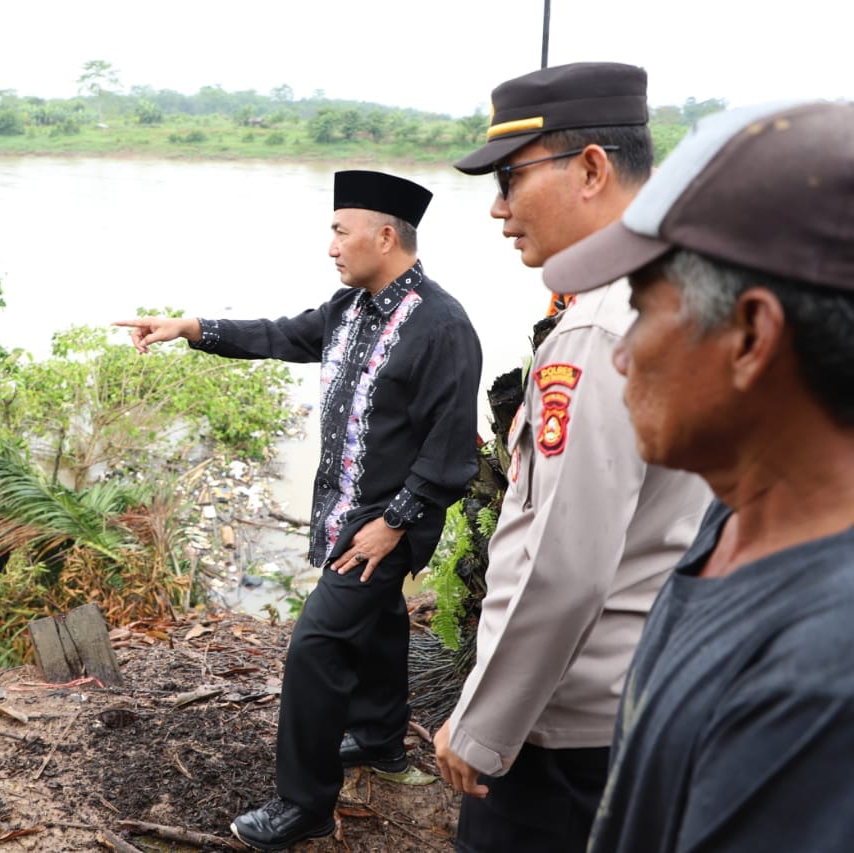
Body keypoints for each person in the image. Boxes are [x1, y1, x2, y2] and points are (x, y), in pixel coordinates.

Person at [116, 170, 483, 851]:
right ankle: (378, 739)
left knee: (315, 646)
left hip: (384, 526)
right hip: (346, 515)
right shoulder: (349, 309)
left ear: (384, 234)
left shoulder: (442, 324)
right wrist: (189, 327)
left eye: (341, 232)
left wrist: (394, 522)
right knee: (380, 621)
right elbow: (281, 335)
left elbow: (452, 444)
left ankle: (303, 802)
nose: (332, 247)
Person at [541, 98, 854, 853]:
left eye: (645, 311)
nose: (621, 354)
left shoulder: (821, 680)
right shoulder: (736, 516)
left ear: (750, 335)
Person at [432, 62, 712, 852]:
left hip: (568, 730)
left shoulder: (598, 327)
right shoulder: (681, 279)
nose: (497, 208)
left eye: (512, 178)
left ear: (591, 167)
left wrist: (484, 726)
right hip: (651, 688)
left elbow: (563, 562)